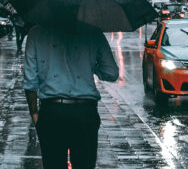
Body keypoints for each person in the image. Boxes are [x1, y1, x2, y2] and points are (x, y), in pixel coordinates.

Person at [23, 25, 119, 169]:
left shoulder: (36, 33)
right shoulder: (93, 32)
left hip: (52, 111)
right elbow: (111, 73)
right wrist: (91, 66)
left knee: (53, 164)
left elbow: (30, 81)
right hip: (85, 112)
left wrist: (34, 112)